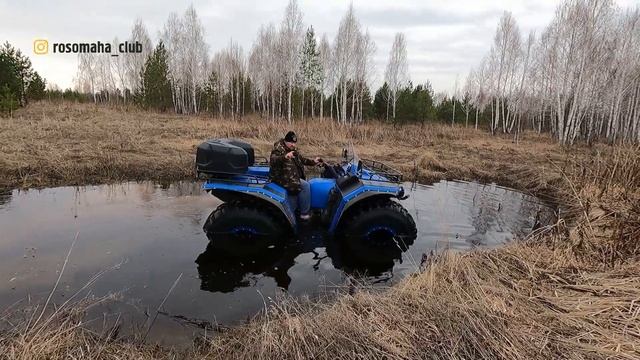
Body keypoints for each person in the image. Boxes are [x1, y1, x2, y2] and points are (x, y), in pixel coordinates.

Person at [269, 131, 322, 220]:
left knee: (299, 186)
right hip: (281, 178)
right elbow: (273, 160)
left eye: (294, 143)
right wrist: (285, 157)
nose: (293, 145)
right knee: (305, 185)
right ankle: (304, 213)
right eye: (291, 142)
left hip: (291, 176)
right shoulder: (278, 149)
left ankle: (296, 211)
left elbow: (301, 159)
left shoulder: (292, 149)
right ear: (286, 141)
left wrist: (313, 162)